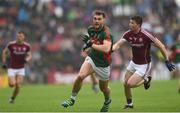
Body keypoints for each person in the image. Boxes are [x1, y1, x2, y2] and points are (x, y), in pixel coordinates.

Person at [112, 15, 175, 109]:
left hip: (144, 65)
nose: (130, 24)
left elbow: (161, 46)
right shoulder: (128, 33)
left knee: (130, 84)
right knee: (125, 83)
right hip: (133, 62)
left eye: (132, 23)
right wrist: (111, 49)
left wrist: (167, 59)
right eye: (130, 22)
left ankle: (146, 79)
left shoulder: (146, 35)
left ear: (138, 25)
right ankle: (130, 103)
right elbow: (118, 44)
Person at [61, 10, 113, 112]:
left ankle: (107, 101)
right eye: (95, 19)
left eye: (99, 19)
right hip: (92, 58)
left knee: (104, 89)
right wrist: (87, 47)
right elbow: (93, 42)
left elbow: (106, 49)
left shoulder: (107, 33)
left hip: (103, 64)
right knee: (80, 76)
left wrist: (91, 44)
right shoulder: (90, 29)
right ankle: (72, 99)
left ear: (103, 20)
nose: (96, 21)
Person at [2, 31, 32, 103]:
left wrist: (27, 59)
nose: (19, 37)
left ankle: (12, 99)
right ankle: (12, 81)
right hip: (11, 67)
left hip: (21, 68)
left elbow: (29, 55)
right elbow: (4, 52)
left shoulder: (27, 46)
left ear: (24, 37)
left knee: (18, 85)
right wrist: (4, 62)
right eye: (18, 36)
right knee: (12, 84)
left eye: (21, 36)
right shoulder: (11, 44)